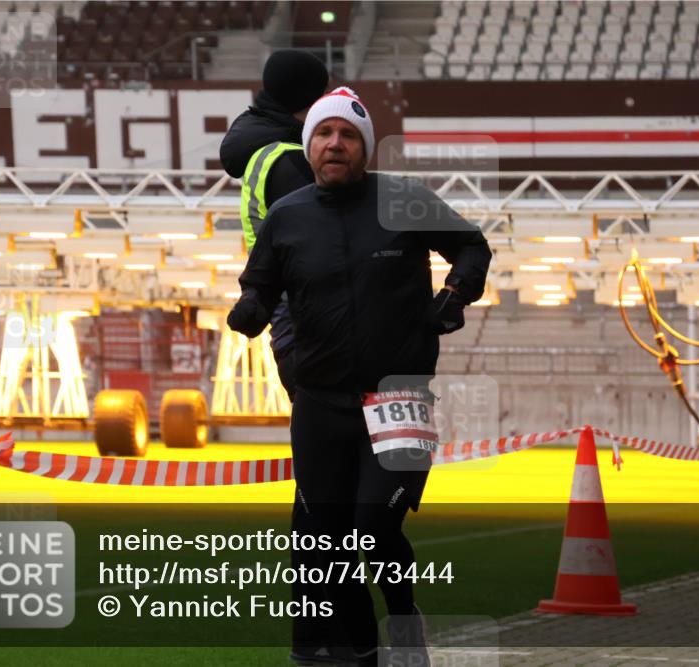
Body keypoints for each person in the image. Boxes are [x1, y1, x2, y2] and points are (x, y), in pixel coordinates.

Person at [228, 87, 491, 664]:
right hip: (320, 406)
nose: (334, 144)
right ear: (309, 144)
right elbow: (262, 282)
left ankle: (403, 617)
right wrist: (249, 306)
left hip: (399, 398)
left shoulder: (405, 200)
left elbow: (473, 247)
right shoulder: (286, 216)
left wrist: (455, 294)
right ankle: (365, 656)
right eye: (323, 133)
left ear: (365, 148)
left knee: (372, 526)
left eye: (348, 135)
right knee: (329, 548)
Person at [219, 50, 339, 665]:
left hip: (291, 323)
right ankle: (325, 637)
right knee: (329, 493)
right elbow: (323, 243)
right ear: (309, 101)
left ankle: (319, 636)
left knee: (324, 489)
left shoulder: (262, 146)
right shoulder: (290, 161)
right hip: (309, 324)